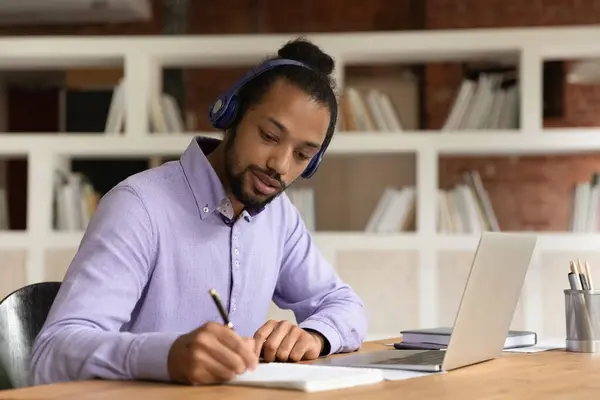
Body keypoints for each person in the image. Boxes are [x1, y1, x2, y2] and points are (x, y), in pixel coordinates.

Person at [30, 37, 368, 386]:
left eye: (302, 156)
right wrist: (167, 355)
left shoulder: (279, 218)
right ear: (231, 114)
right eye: (269, 136)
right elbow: (53, 352)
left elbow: (345, 305)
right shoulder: (138, 206)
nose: (280, 166)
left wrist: (314, 335)